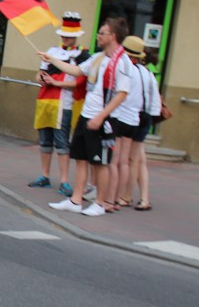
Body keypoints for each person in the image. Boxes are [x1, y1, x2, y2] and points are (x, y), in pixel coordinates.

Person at [47, 16, 134, 217]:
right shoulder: (97, 57)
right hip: (87, 114)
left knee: (99, 162)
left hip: (103, 119)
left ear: (112, 36)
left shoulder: (122, 62)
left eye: (102, 33)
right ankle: (76, 200)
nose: (98, 36)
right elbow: (76, 70)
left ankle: (100, 203)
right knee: (80, 158)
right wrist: (52, 59)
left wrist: (101, 117)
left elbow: (122, 93)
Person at [28, 12, 89, 196]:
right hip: (45, 101)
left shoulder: (83, 55)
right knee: (45, 141)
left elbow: (80, 82)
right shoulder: (52, 51)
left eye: (69, 35)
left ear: (76, 36)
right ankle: (44, 176)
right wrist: (41, 78)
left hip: (65, 104)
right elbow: (39, 74)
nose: (65, 37)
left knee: (62, 143)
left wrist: (57, 83)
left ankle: (64, 181)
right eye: (63, 34)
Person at [120, 37, 161, 211]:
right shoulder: (148, 73)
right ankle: (142, 198)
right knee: (137, 159)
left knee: (129, 160)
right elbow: (155, 102)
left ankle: (126, 196)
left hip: (132, 116)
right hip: (146, 117)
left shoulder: (130, 72)